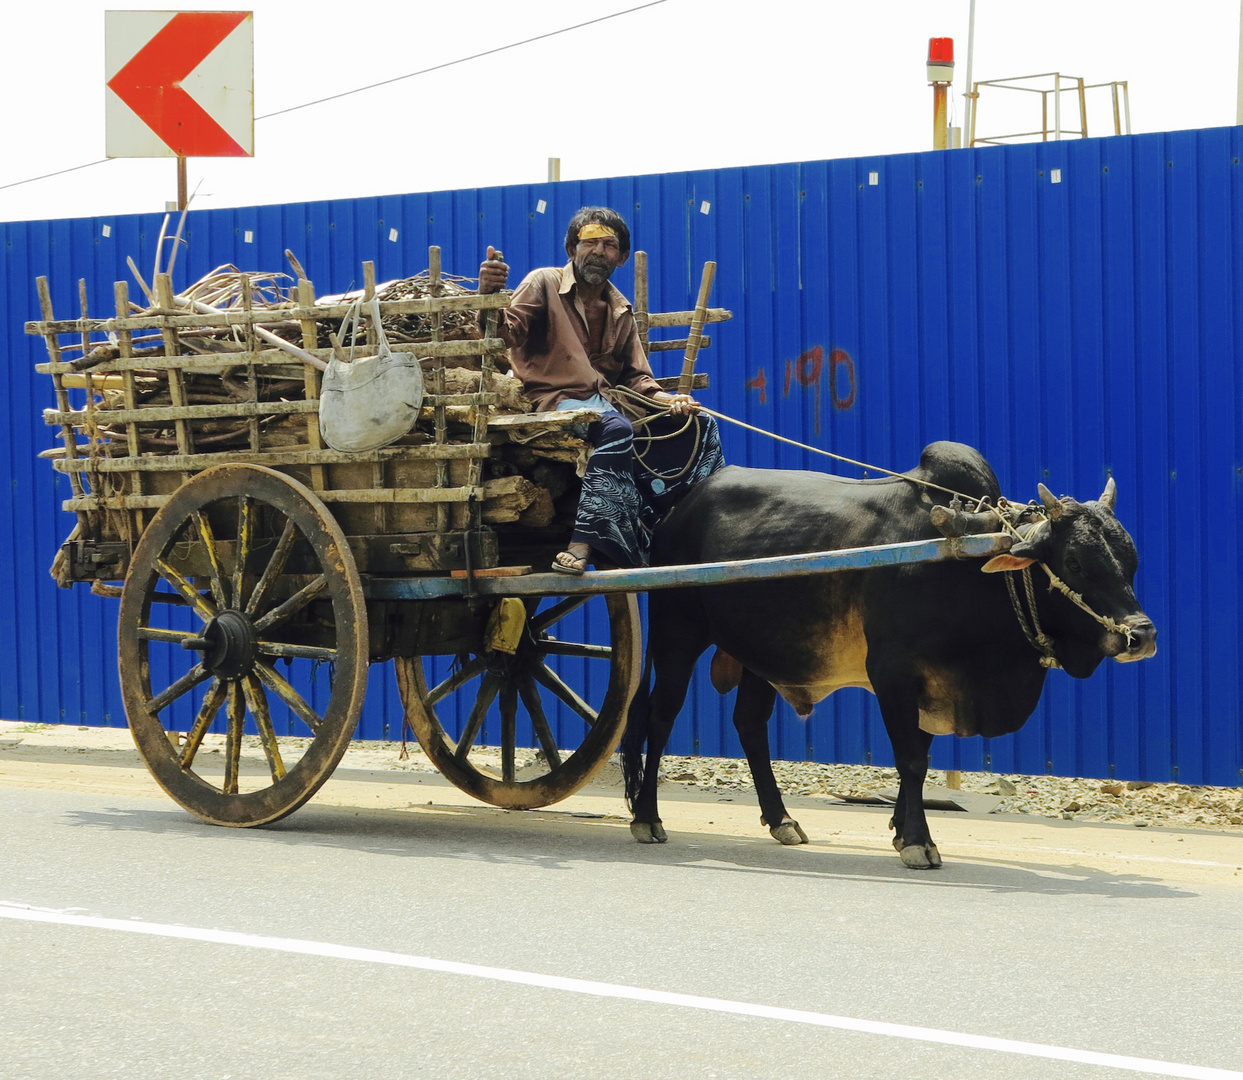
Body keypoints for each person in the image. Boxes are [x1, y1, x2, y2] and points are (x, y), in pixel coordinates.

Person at [479, 206, 723, 573]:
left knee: (701, 426)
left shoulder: (620, 309)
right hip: (552, 404)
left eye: (609, 245)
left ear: (621, 257)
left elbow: (637, 379)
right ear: (571, 249)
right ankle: (585, 541)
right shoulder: (543, 282)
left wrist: (670, 400)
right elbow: (505, 334)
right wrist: (489, 295)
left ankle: (687, 530)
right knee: (615, 429)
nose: (598, 251)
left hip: (611, 406)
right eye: (589, 242)